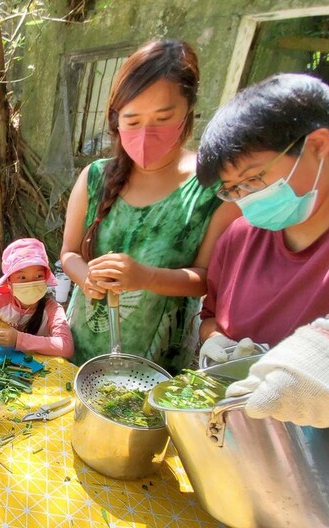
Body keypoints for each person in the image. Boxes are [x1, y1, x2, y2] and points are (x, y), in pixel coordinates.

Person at [195, 73, 329, 429]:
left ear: (317, 145)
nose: (246, 199)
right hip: (257, 447)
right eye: (231, 190)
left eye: (253, 179)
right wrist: (217, 341)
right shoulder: (240, 237)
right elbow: (211, 315)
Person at [60, 39, 238, 373]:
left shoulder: (213, 190)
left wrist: (147, 277)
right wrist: (86, 278)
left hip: (157, 361)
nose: (145, 133)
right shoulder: (95, 177)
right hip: (81, 348)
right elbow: (69, 253)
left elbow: (205, 280)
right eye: (132, 120)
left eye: (162, 118)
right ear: (116, 119)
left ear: (188, 111)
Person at [0, 238, 74, 358]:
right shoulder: (1, 302)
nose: (31, 283)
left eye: (38, 276)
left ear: (45, 279)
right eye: (22, 277)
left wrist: (19, 339)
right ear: (9, 282)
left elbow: (66, 347)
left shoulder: (52, 309)